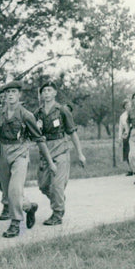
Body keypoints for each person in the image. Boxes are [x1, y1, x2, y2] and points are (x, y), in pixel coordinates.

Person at [0, 81, 54, 238]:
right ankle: (29, 207)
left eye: (13, 92)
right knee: (7, 191)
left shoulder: (26, 115)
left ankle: (16, 222)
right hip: (3, 152)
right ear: (4, 96)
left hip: (20, 152)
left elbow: (39, 139)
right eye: (8, 92)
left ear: (19, 95)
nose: (10, 95)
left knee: (15, 189)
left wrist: (50, 162)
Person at [35, 81, 86, 226]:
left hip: (61, 150)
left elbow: (72, 133)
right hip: (45, 151)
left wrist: (80, 153)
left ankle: (57, 213)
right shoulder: (38, 113)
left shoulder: (62, 110)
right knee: (44, 185)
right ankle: (59, 200)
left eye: (49, 90)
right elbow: (31, 132)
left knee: (57, 185)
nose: (46, 93)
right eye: (44, 91)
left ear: (55, 93)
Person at [118, 99, 133, 176]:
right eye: (126, 105)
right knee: (127, 152)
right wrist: (120, 137)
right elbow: (120, 127)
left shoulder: (134, 113)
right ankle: (130, 169)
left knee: (134, 152)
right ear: (124, 107)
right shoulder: (122, 116)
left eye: (129, 105)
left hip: (134, 133)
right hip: (126, 134)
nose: (128, 106)